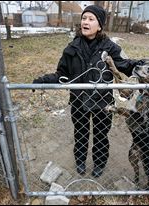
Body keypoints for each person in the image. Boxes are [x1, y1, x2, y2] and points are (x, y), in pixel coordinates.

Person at [32, 5, 139, 177]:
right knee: (80, 133)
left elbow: (126, 65)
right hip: (78, 101)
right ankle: (80, 160)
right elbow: (62, 74)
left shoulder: (110, 48)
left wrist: (145, 65)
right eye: (84, 18)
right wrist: (43, 81)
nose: (85, 22)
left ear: (100, 25)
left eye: (91, 19)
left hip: (103, 103)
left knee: (101, 136)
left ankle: (99, 163)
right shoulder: (72, 48)